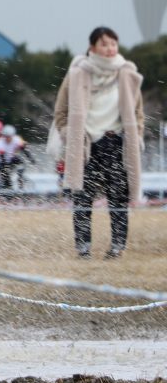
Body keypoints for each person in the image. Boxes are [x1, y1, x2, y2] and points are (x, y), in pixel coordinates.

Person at [53, 26, 145, 259]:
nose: (110, 48)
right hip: (86, 144)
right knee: (82, 198)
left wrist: (137, 135)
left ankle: (117, 247)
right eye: (104, 44)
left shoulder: (126, 73)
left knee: (118, 198)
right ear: (92, 47)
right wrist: (68, 133)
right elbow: (61, 110)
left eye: (113, 43)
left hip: (117, 143)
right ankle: (83, 248)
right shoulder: (77, 73)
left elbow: (138, 112)